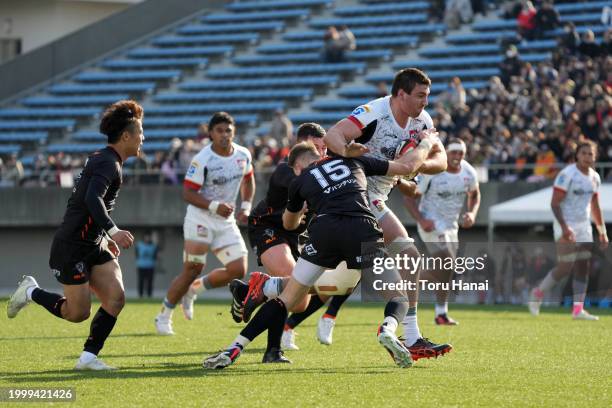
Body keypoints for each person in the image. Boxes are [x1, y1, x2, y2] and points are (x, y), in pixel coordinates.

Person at [203, 136, 447, 369]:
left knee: (287, 299)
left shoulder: (299, 180)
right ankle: (387, 329)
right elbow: (405, 167)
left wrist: (301, 208)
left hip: (324, 231)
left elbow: (289, 224)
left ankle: (234, 347)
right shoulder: (354, 160)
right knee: (397, 296)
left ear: (298, 165)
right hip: (361, 227)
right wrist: (427, 141)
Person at [323, 67, 451, 357]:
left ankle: (268, 288)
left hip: (377, 195)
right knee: (408, 255)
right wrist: (347, 151)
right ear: (400, 94)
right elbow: (332, 136)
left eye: (427, 96)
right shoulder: (374, 112)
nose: (425, 103)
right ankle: (410, 335)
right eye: (420, 96)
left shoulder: (422, 121)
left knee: (333, 276)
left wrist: (418, 164)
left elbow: (440, 160)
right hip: (352, 191)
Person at [6, 100, 143, 370]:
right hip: (71, 246)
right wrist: (113, 232)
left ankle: (88, 359)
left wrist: (103, 238)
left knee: (116, 298)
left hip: (92, 242)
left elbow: (87, 203)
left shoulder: (105, 158)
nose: (143, 138)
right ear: (126, 136)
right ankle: (31, 291)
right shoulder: (108, 163)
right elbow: (92, 198)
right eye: (140, 132)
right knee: (77, 313)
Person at [155, 112, 255, 335]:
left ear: (234, 132)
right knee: (192, 269)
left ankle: (194, 290)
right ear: (210, 133)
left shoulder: (243, 154)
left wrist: (246, 206)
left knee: (238, 269)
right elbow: (188, 193)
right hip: (200, 218)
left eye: (228, 130)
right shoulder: (202, 159)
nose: (224, 135)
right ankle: (164, 314)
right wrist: (213, 206)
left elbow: (249, 179)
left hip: (225, 221)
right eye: (219, 130)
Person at [403, 138, 480, 325]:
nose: (457, 156)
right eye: (453, 152)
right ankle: (407, 283)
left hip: (451, 226)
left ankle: (440, 312)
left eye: (460, 153)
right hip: (432, 223)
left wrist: (471, 213)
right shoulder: (433, 170)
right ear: (446, 152)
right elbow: (409, 198)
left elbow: (475, 194)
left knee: (447, 271)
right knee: (447, 262)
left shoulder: (469, 172)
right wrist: (421, 219)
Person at [529, 141, 608, 319]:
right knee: (565, 266)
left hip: (584, 224)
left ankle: (578, 309)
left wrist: (602, 231)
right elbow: (555, 203)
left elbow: (595, 206)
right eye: (584, 153)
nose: (588, 157)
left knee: (583, 266)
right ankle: (537, 294)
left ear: (595, 157)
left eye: (591, 154)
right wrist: (565, 228)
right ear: (577, 156)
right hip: (565, 223)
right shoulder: (567, 175)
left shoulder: (595, 177)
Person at [135, 232, 158, 298]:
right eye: (146, 237)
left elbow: (155, 256)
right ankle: (140, 295)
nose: (147, 238)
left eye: (149, 237)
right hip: (141, 266)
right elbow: (136, 255)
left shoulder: (153, 246)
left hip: (150, 266)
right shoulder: (139, 245)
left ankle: (149, 295)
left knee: (150, 281)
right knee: (141, 281)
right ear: (144, 237)